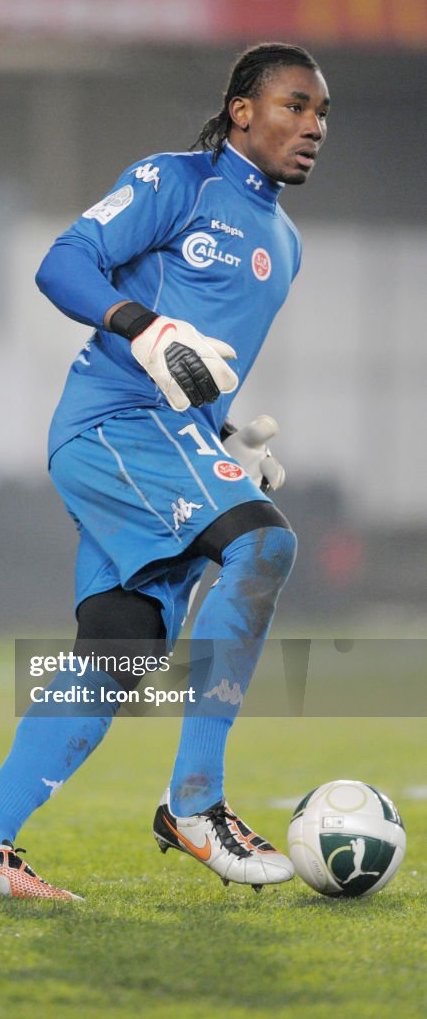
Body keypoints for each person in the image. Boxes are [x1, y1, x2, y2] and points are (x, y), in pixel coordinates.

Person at [0, 42, 330, 900]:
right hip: (114, 422)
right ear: (240, 110)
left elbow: (200, 372)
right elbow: (61, 263)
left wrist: (226, 445)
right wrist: (140, 324)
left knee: (117, 652)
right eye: (294, 105)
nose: (312, 125)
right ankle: (194, 804)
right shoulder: (175, 183)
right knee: (263, 549)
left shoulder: (284, 245)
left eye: (321, 113)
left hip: (165, 439)